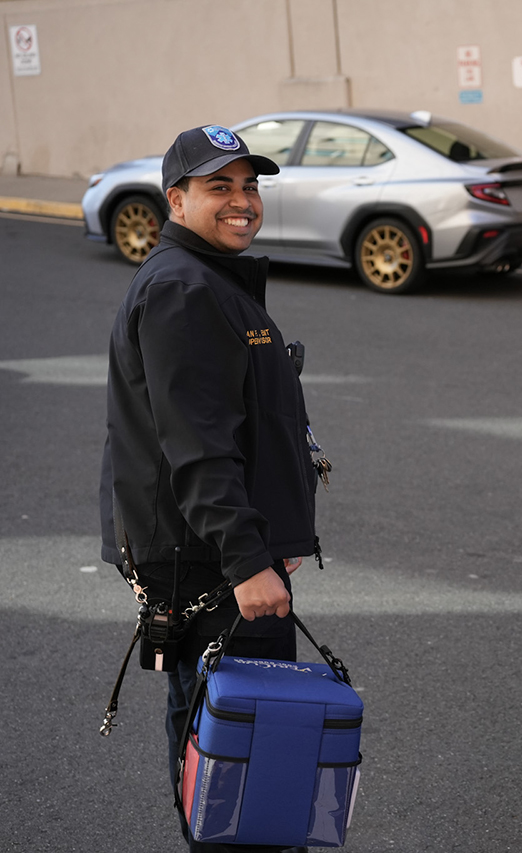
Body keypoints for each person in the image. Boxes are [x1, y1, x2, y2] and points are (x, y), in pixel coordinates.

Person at [99, 124, 319, 853]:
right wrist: (247, 559)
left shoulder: (207, 279)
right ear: (176, 200)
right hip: (212, 566)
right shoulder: (182, 291)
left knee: (217, 727)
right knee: (232, 744)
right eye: (218, 187)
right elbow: (195, 449)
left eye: (249, 185)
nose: (241, 201)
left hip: (212, 556)